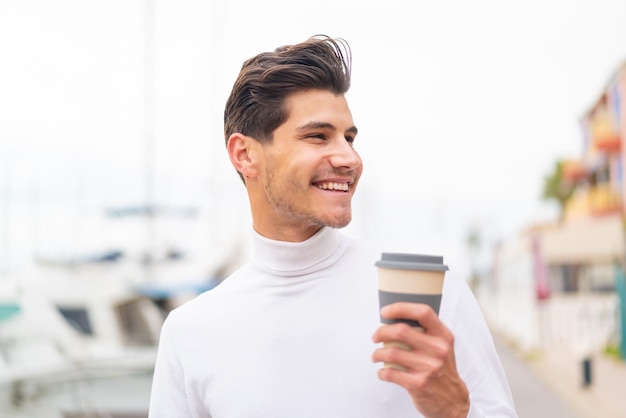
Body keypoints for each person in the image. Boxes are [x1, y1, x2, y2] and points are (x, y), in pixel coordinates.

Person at [149, 35, 517, 418]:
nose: (349, 158)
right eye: (318, 136)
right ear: (245, 155)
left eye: (349, 138)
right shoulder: (190, 331)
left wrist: (457, 410)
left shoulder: (426, 293)